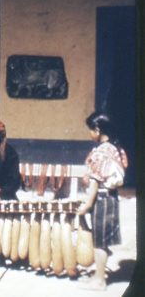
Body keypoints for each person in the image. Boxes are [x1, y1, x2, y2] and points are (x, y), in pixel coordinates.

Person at [77, 111, 128, 291]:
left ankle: (100, 281)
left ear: (97, 130)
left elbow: (95, 182)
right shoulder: (115, 148)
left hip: (102, 199)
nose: (90, 134)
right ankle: (98, 274)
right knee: (102, 240)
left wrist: (87, 205)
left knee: (100, 242)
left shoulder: (101, 151)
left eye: (91, 130)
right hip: (111, 198)